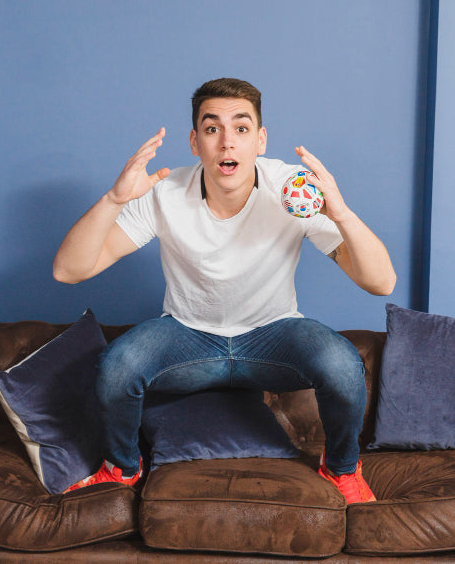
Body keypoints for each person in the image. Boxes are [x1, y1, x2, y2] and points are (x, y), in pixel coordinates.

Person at [53, 78, 396, 504]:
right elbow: (68, 270)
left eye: (242, 128)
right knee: (116, 367)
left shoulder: (291, 190)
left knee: (343, 366)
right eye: (212, 129)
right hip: (187, 337)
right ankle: (122, 469)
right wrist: (113, 199)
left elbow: (381, 282)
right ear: (195, 142)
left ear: (261, 140)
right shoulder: (165, 192)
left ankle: (342, 470)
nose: (227, 143)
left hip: (273, 334)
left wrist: (341, 214)